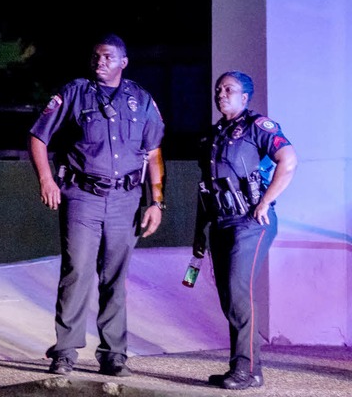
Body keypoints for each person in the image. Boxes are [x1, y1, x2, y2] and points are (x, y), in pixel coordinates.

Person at [27, 33, 166, 377]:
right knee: (77, 272)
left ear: (123, 62)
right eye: (95, 56)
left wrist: (157, 201)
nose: (99, 61)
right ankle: (65, 351)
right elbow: (38, 136)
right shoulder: (75, 92)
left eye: (107, 56)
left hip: (126, 200)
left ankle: (114, 353)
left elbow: (153, 153)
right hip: (83, 197)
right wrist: (46, 180)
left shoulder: (141, 99)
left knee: (115, 278)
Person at [193, 70, 298, 390]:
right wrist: (199, 232)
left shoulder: (257, 126)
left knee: (240, 292)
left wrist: (266, 202)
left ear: (245, 96)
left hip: (251, 222)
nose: (221, 94)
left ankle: (246, 369)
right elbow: (206, 189)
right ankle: (248, 370)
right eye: (218, 89)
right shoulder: (212, 136)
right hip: (221, 222)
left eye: (229, 89)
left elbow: (289, 159)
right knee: (228, 298)